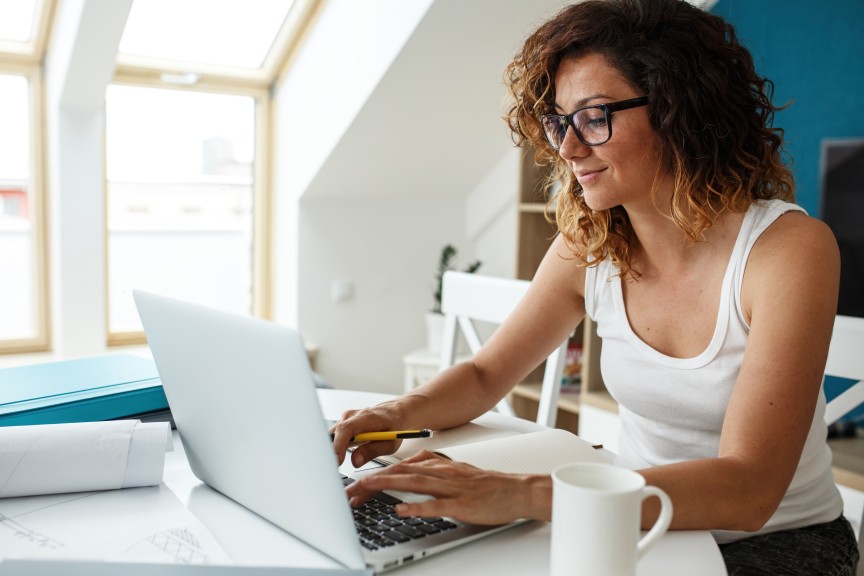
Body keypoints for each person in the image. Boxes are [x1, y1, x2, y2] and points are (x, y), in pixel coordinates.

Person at [331, 0, 860, 573]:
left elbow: (750, 490)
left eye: (594, 116)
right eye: (561, 121)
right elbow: (486, 376)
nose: (567, 147)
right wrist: (396, 412)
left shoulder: (787, 250)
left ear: (683, 111)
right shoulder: (590, 244)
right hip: (621, 517)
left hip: (778, 544)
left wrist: (523, 495)